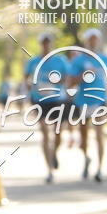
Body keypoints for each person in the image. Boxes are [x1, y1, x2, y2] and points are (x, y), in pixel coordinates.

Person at [70, 28, 107, 182]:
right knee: (83, 138)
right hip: (82, 101)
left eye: (96, 39)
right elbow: (70, 82)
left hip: (100, 100)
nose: (93, 41)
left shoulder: (105, 59)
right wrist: (83, 76)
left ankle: (100, 169)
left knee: (99, 135)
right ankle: (86, 158)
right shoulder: (78, 61)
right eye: (91, 39)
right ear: (86, 41)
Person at [24, 31, 69, 183]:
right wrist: (29, 85)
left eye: (48, 42)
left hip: (57, 99)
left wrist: (56, 80)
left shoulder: (60, 60)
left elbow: (67, 78)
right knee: (44, 133)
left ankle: (54, 153)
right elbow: (26, 78)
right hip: (40, 100)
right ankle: (49, 169)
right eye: (44, 42)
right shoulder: (33, 62)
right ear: (40, 44)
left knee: (58, 134)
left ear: (51, 44)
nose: (46, 45)